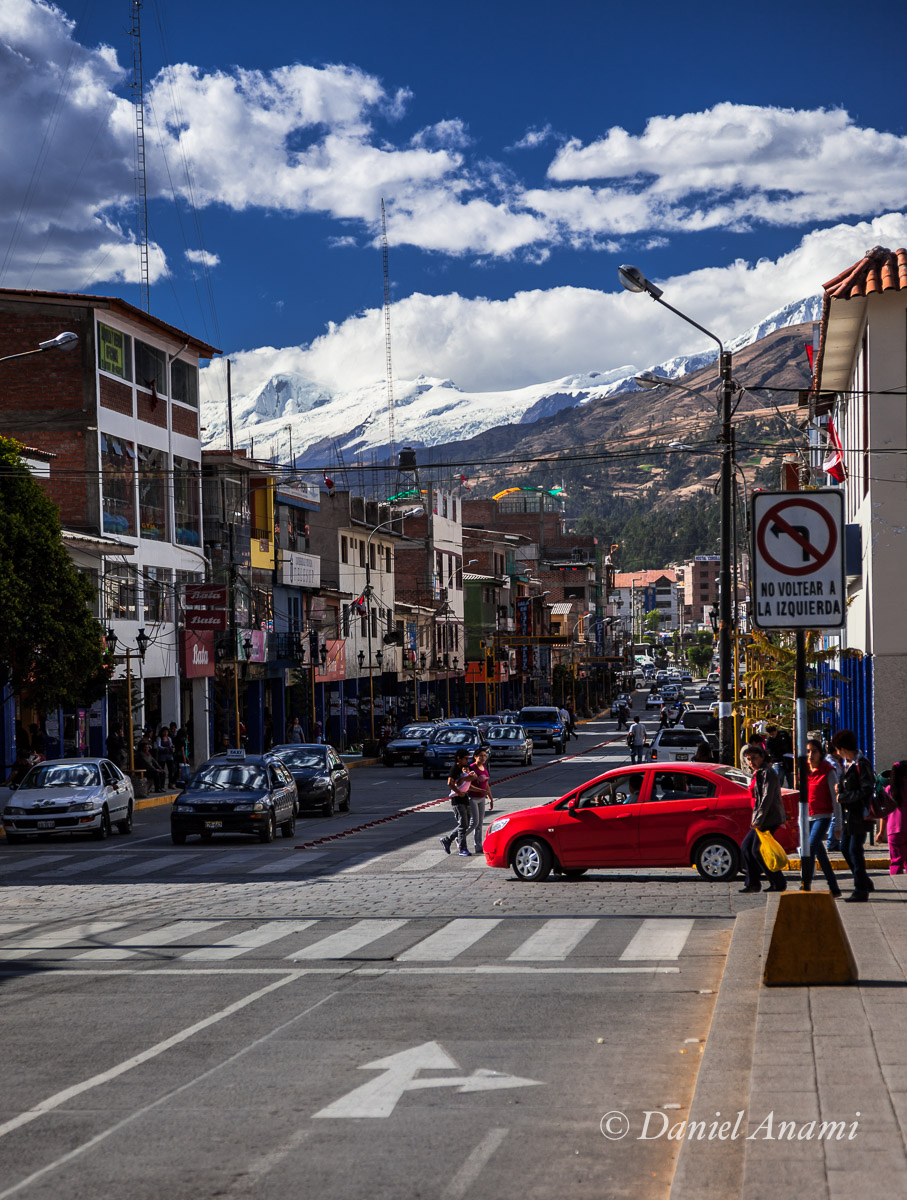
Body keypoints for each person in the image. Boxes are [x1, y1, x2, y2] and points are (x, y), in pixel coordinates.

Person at [830, 729, 874, 902]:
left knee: (855, 850)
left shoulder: (861, 763)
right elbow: (847, 784)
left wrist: (843, 796)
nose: (838, 753)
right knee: (845, 848)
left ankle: (861, 889)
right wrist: (840, 788)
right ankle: (864, 881)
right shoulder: (848, 763)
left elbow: (866, 789)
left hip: (859, 814)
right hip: (849, 814)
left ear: (843, 748)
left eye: (838, 749)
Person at [739, 742, 788, 894]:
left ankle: (777, 882)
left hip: (769, 818)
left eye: (754, 758)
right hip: (760, 817)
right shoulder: (759, 772)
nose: (751, 762)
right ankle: (753, 883)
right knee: (747, 847)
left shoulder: (767, 773)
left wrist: (758, 820)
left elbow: (766, 798)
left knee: (756, 850)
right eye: (748, 759)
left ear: (762, 757)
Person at [802, 738, 842, 896]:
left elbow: (836, 799)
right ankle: (834, 887)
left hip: (823, 817)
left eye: (814, 751)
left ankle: (806, 884)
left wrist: (838, 825)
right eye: (808, 751)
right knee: (820, 853)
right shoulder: (805, 770)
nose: (810, 754)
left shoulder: (828, 771)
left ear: (821, 753)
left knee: (810, 847)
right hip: (808, 817)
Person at [440, 749, 478, 857]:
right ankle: (462, 848)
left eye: (467, 758)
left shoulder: (466, 768)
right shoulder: (455, 769)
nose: (467, 760)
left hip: (465, 799)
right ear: (459, 758)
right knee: (463, 824)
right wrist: (458, 792)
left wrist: (465, 778)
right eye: (465, 758)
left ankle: (447, 840)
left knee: (465, 824)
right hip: (457, 800)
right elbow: (449, 783)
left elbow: (474, 777)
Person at [465, 746, 494, 854]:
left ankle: (478, 846)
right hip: (472, 798)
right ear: (475, 757)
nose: (483, 758)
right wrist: (480, 790)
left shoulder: (484, 768)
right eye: (481, 756)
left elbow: (486, 785)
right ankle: (460, 837)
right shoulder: (471, 768)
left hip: (482, 799)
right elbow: (467, 785)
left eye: (485, 756)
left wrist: (490, 799)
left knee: (480, 824)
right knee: (474, 822)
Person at [883, 761, 907, 875]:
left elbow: (884, 813)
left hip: (894, 829)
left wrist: (880, 832)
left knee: (896, 862)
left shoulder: (889, 789)